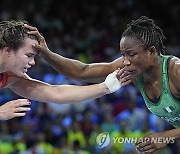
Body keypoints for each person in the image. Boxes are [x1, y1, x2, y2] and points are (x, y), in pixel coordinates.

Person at [25, 16, 180, 153]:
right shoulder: (131, 69)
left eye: (131, 54)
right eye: (123, 54)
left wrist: (167, 136)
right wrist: (46, 53)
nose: (125, 61)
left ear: (152, 51)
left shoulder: (176, 71)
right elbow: (82, 72)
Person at [0, 20, 125, 121]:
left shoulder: (11, 77)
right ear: (8, 50)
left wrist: (106, 87)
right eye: (29, 55)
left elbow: (57, 93)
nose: (33, 62)